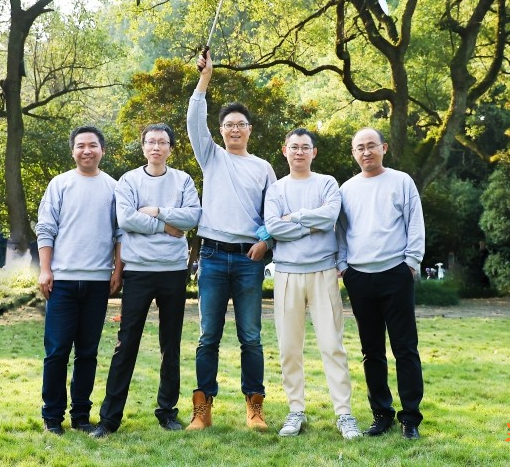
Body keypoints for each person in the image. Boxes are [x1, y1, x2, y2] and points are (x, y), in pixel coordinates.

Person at [185, 50, 277, 431]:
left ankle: (254, 407)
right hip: (211, 256)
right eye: (228, 125)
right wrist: (205, 78)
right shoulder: (212, 157)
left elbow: (274, 214)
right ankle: (202, 409)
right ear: (221, 130)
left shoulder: (263, 168)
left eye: (240, 124)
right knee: (208, 336)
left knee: (250, 337)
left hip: (248, 260)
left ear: (249, 130)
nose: (234, 130)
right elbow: (194, 120)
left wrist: (266, 242)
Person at [90, 124, 201, 438]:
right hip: (138, 271)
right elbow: (126, 219)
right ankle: (109, 419)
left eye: (162, 142)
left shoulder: (183, 180)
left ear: (170, 148)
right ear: (143, 147)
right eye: (151, 142)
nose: (156, 147)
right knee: (126, 344)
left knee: (171, 344)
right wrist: (165, 226)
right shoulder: (129, 180)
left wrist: (156, 210)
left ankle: (167, 412)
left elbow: (192, 217)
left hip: (173, 271)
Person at [263, 128, 362, 440]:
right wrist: (311, 225)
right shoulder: (276, 189)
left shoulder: (327, 183)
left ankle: (344, 413)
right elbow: (272, 226)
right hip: (287, 274)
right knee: (289, 347)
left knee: (332, 345)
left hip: (323, 272)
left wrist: (294, 218)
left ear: (313, 152)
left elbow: (330, 215)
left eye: (305, 147)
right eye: (294, 147)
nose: (299, 152)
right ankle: (296, 409)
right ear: (284, 150)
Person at [336, 127, 425, 440]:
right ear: (354, 153)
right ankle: (381, 414)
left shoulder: (401, 181)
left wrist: (411, 263)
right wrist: (344, 266)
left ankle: (410, 418)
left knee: (405, 348)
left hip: (395, 273)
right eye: (359, 147)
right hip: (359, 278)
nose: (366, 152)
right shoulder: (347, 189)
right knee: (371, 351)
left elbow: (415, 223)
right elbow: (341, 232)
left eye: (371, 145)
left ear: (384, 148)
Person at [36, 126, 122, 436]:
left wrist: (117, 271)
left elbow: (120, 234)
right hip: (62, 281)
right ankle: (52, 417)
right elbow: (46, 228)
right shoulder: (60, 184)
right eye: (81, 145)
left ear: (102, 150)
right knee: (57, 351)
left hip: (98, 282)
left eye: (93, 145)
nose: (87, 150)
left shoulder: (114, 187)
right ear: (73, 151)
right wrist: (45, 270)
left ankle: (81, 416)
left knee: (87, 352)